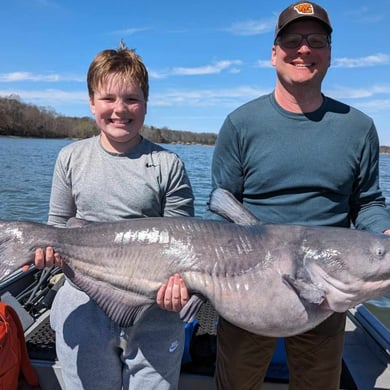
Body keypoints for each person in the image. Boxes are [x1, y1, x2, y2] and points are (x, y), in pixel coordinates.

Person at [211, 2, 390, 389]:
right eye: (291, 41)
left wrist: (383, 233)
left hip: (329, 287)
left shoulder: (359, 127)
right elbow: (222, 208)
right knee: (236, 382)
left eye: (315, 41)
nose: (303, 50)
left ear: (329, 53)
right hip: (249, 284)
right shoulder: (240, 124)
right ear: (274, 53)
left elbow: (369, 201)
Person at [33, 41, 194, 389]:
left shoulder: (169, 164)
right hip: (82, 302)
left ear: (146, 105)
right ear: (92, 102)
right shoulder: (70, 158)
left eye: (131, 99)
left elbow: (185, 247)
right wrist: (46, 254)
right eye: (108, 98)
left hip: (154, 309)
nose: (120, 109)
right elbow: (56, 227)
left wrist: (180, 287)